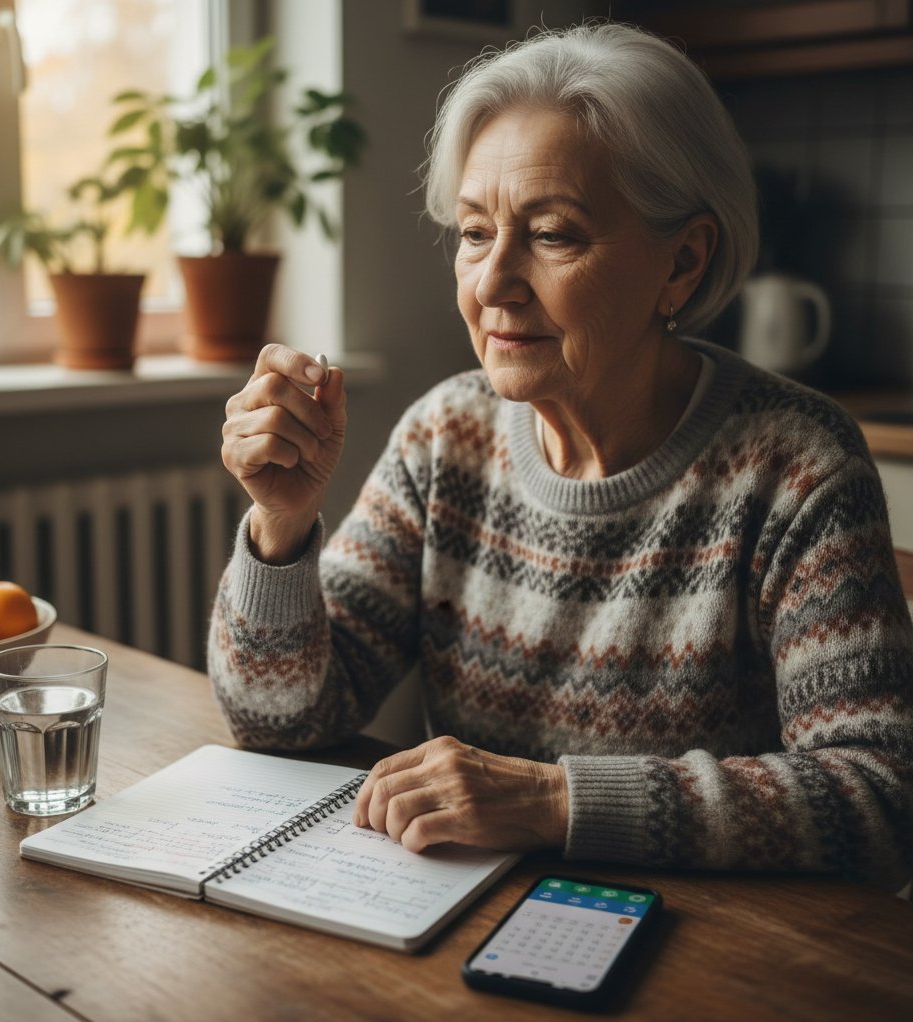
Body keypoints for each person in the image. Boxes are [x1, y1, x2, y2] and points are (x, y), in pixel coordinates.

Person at [209, 23, 912, 889]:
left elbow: (880, 796)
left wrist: (556, 801)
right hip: (466, 914)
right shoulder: (445, 437)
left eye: (552, 235)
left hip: (703, 940)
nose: (493, 283)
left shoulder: (798, 469)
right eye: (475, 233)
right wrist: (280, 526)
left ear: (682, 264)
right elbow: (280, 720)